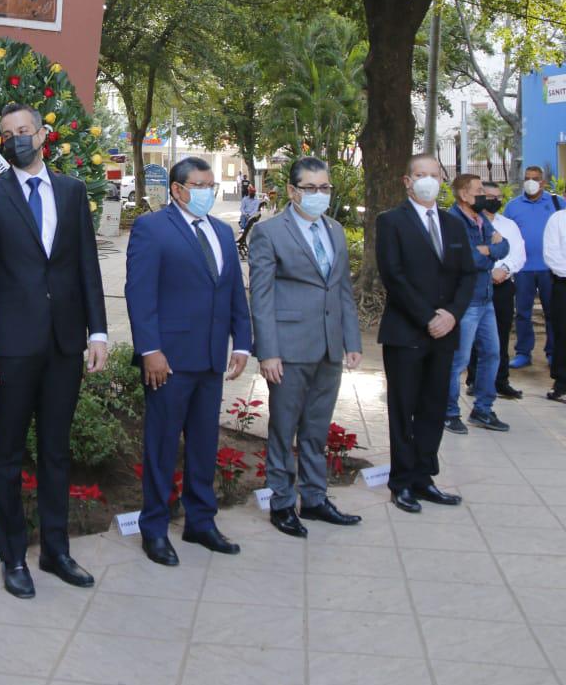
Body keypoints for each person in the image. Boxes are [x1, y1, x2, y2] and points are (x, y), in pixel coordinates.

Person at [0, 102, 108, 599]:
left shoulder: (71, 192)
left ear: (44, 134)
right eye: (8, 134)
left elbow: (87, 267)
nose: (17, 139)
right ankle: (12, 557)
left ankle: (55, 550)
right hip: (11, 348)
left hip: (65, 344)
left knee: (55, 450)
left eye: (25, 130)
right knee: (7, 453)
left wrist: (99, 333)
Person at [124, 156, 252, 565]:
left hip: (211, 358)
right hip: (169, 360)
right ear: (178, 190)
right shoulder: (152, 228)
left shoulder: (221, 231)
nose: (207, 192)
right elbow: (139, 295)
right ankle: (155, 528)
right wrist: (150, 350)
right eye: (199, 185)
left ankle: (201, 522)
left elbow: (233, 290)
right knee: (162, 446)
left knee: (203, 444)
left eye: (210, 185)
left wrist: (243, 342)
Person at [249, 157, 362, 538]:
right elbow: (261, 296)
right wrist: (268, 352)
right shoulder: (269, 232)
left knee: (316, 429)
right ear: (293, 191)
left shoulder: (335, 230)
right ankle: (281, 502)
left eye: (325, 188)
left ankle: (314, 499)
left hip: (329, 346)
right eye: (311, 189)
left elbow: (342, 289)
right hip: (289, 348)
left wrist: (352, 341)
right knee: (284, 428)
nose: (319, 195)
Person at [376, 154, 475, 513]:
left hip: (445, 332)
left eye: (434, 175)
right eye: (421, 174)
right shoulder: (391, 222)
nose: (427, 180)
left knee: (433, 408)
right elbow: (394, 276)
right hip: (406, 332)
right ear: (407, 180)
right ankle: (401, 482)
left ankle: (423, 477)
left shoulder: (453, 225)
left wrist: (451, 315)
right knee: (404, 409)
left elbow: (468, 275)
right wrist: (427, 317)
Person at [444, 175, 510, 434]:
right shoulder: (452, 221)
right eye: (479, 190)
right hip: (466, 300)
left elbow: (504, 246)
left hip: (486, 299)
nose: (484, 194)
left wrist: (487, 251)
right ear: (463, 194)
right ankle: (449, 412)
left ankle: (483, 409)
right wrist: (486, 252)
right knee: (458, 360)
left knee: (492, 354)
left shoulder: (481, 218)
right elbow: (466, 260)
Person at [465, 180, 525, 399]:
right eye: (490, 197)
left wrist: (505, 270)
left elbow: (518, 252)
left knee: (500, 334)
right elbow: (472, 253)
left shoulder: (509, 225)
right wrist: (490, 271)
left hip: (503, 285)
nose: (495, 201)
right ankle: (474, 380)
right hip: (478, 284)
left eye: (499, 198)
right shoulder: (471, 223)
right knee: (474, 335)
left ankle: (501, 380)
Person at [504, 166, 564, 369]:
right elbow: (506, 235)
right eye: (527, 178)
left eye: (535, 178)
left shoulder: (557, 203)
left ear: (543, 182)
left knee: (553, 312)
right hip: (522, 269)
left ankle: (553, 352)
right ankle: (523, 352)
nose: (531, 182)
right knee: (522, 312)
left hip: (551, 269)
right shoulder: (512, 206)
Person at [542, 206, 566, 403]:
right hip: (564, 282)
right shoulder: (558, 219)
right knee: (563, 333)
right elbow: (551, 254)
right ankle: (562, 384)